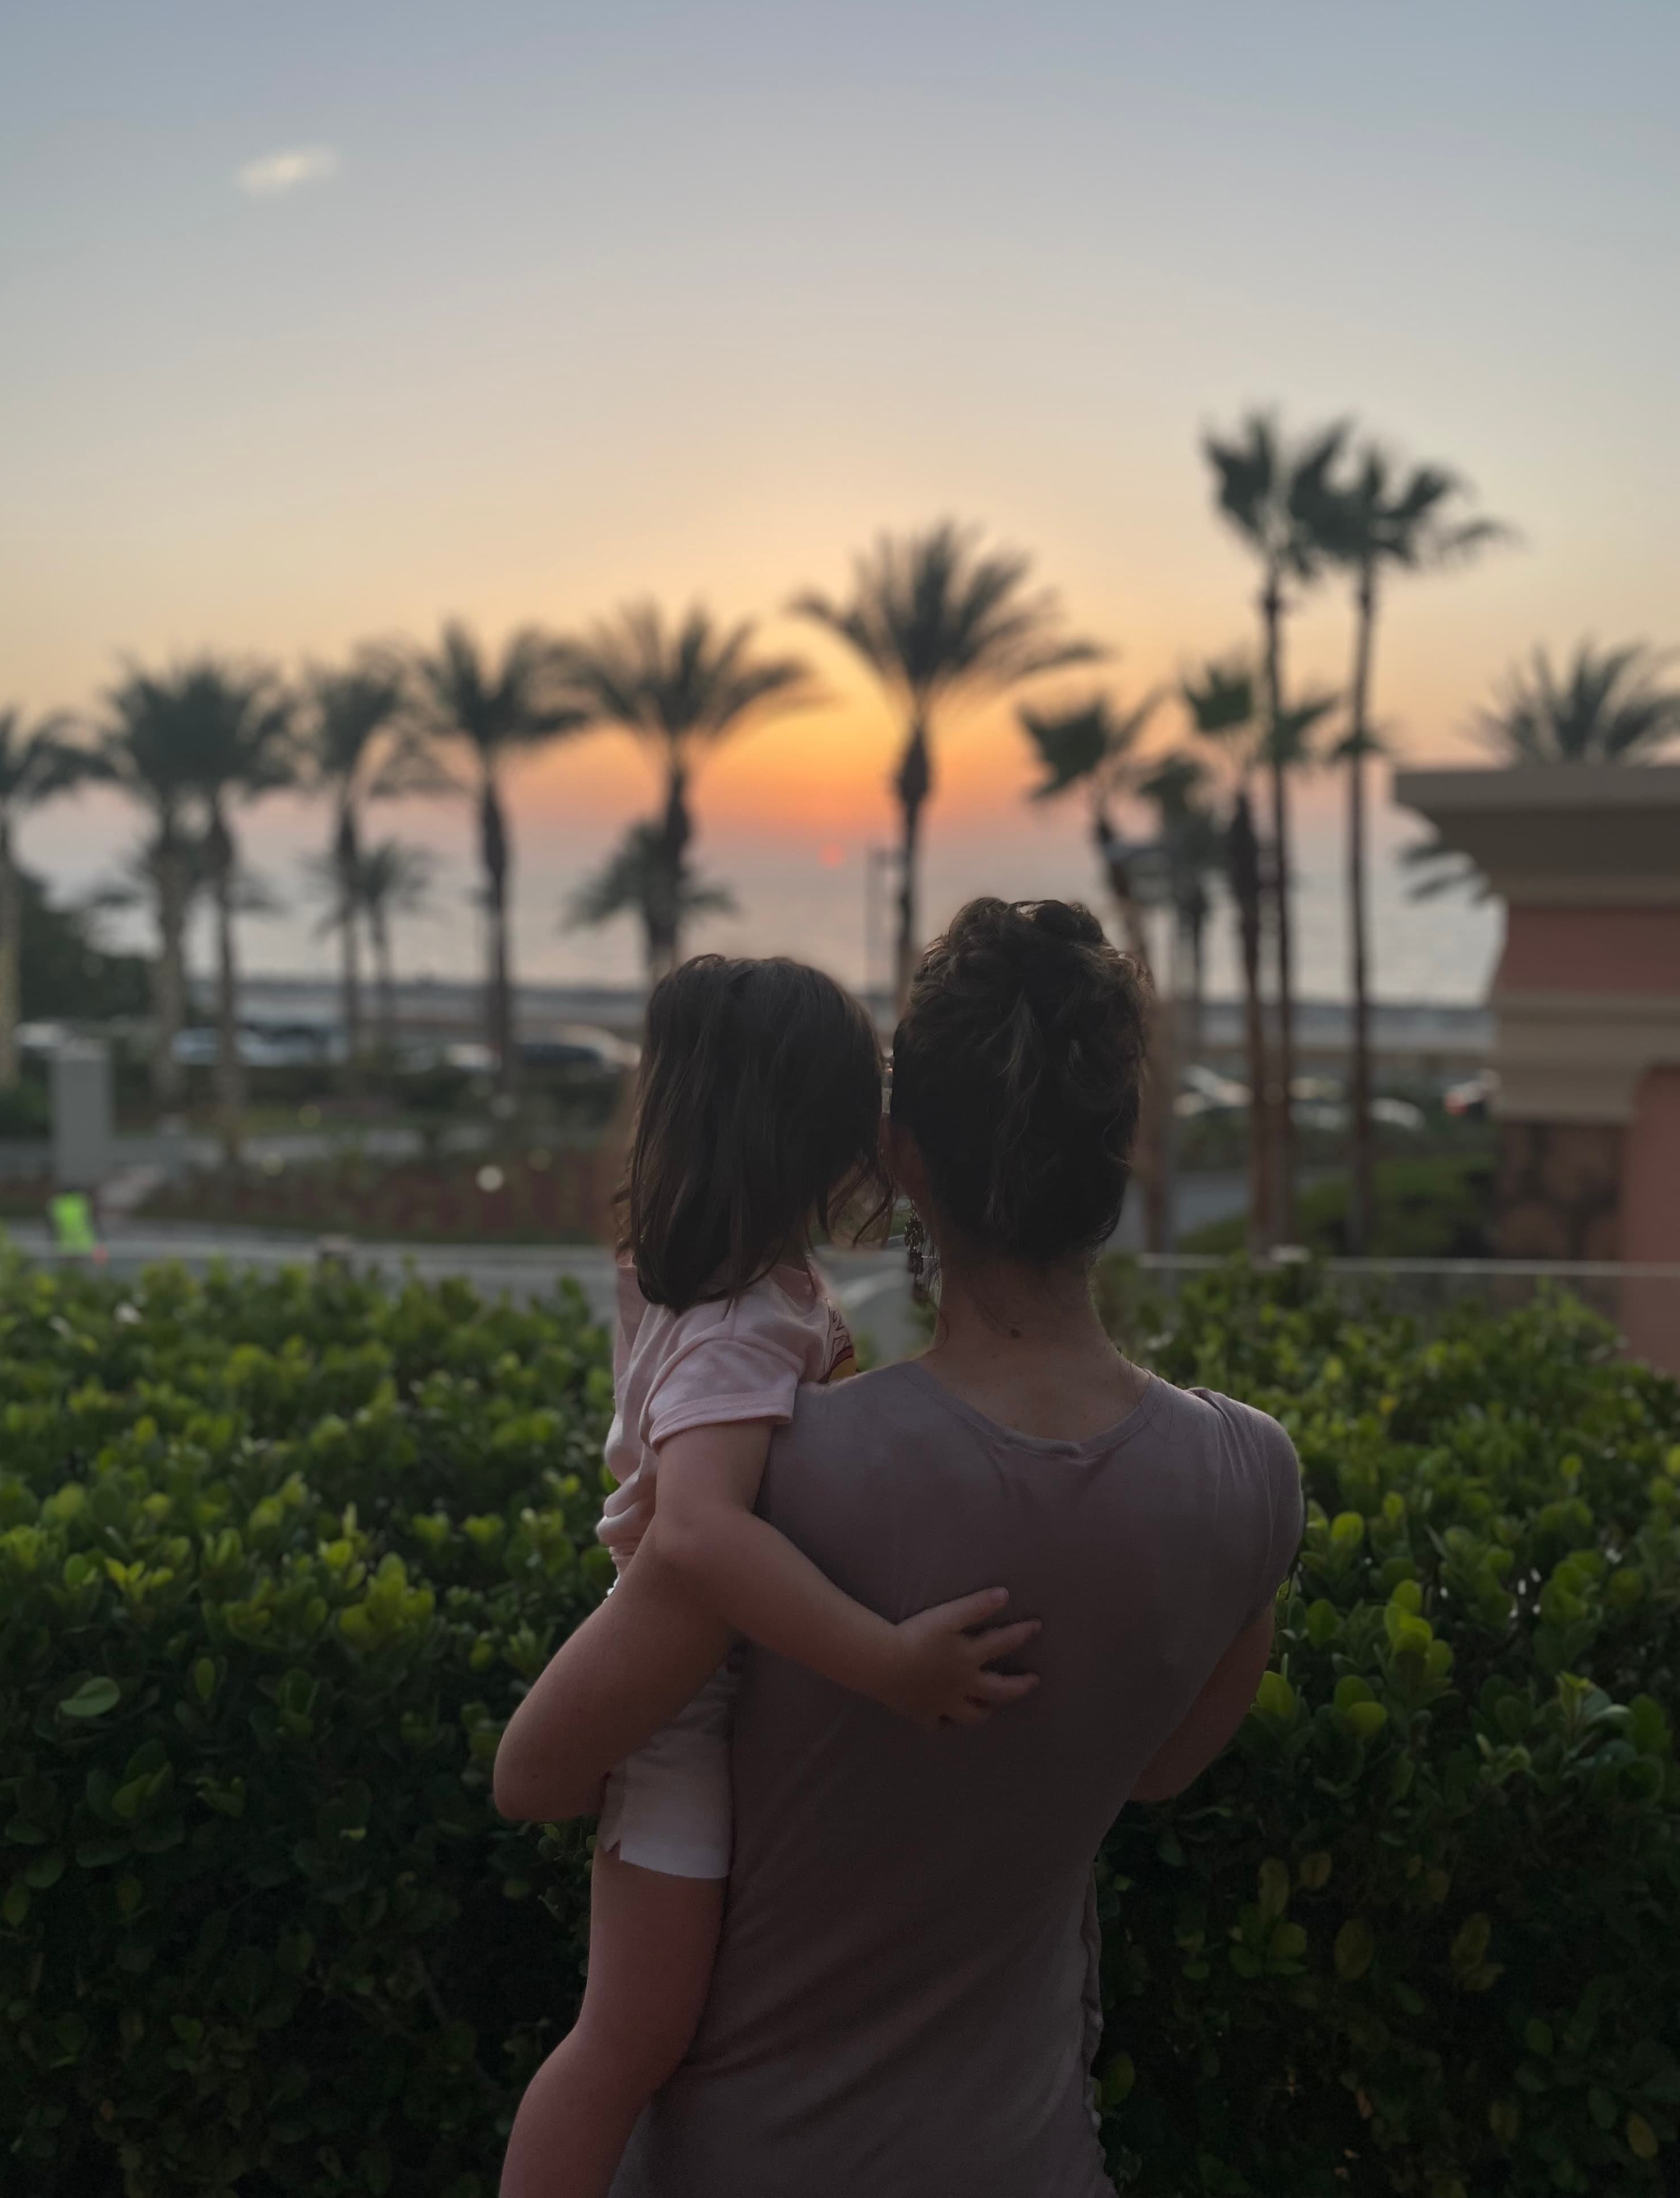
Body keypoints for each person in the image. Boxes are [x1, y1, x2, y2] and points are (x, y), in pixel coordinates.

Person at [495, 898, 1304, 2197]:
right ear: (1124, 1147)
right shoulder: (1251, 1480)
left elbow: (536, 1770)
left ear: (900, 1153)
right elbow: (1160, 1770)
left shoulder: (784, 1481)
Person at [498, 953, 1038, 2198]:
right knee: (629, 2040)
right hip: (682, 1714)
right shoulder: (748, 1323)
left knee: (641, 2035)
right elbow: (696, 1532)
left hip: (694, 1685)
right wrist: (886, 1662)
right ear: (825, 1134)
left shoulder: (691, 1281)